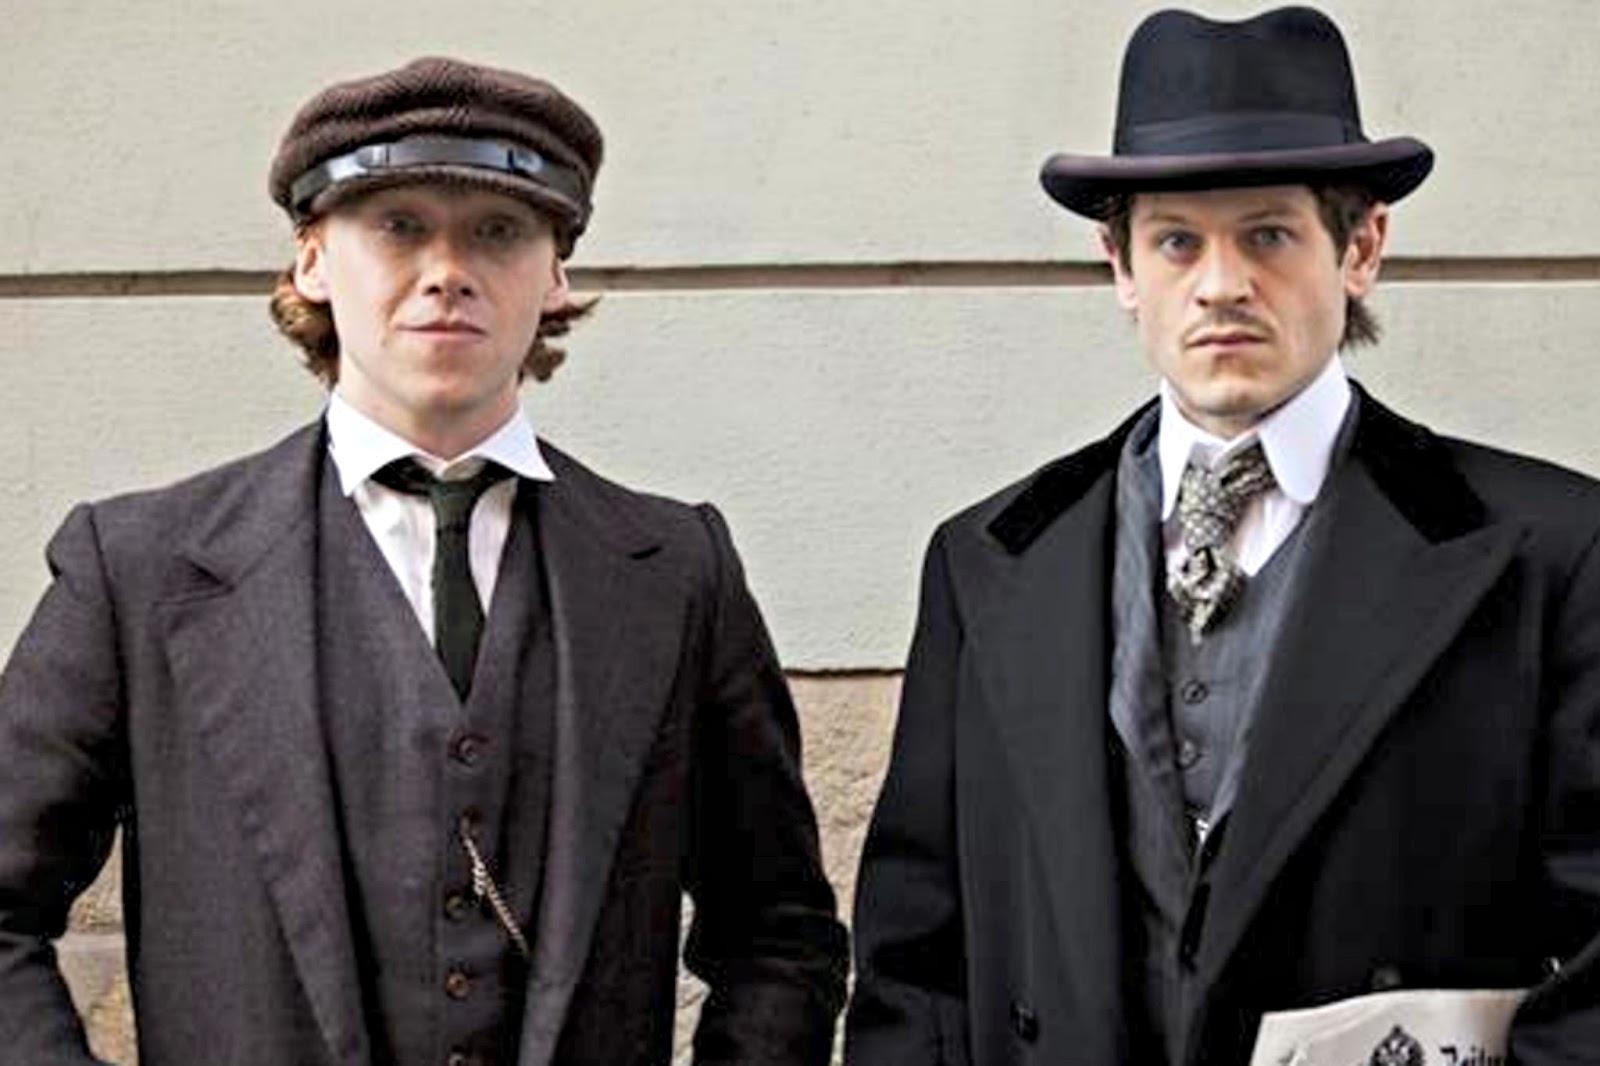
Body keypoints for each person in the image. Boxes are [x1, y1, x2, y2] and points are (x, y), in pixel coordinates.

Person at [0, 56, 846, 1066]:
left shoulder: (675, 573)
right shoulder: (139, 569)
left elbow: (779, 934)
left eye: (499, 230)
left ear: (555, 274)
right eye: (399, 225)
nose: (447, 269)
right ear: (313, 259)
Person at [845, 8, 1600, 1065]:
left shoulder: (1552, 551)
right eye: (1176, 241)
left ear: (1361, 248)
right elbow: (912, 962)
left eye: (1268, 235)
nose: (1221, 284)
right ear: (1120, 266)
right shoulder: (987, 558)